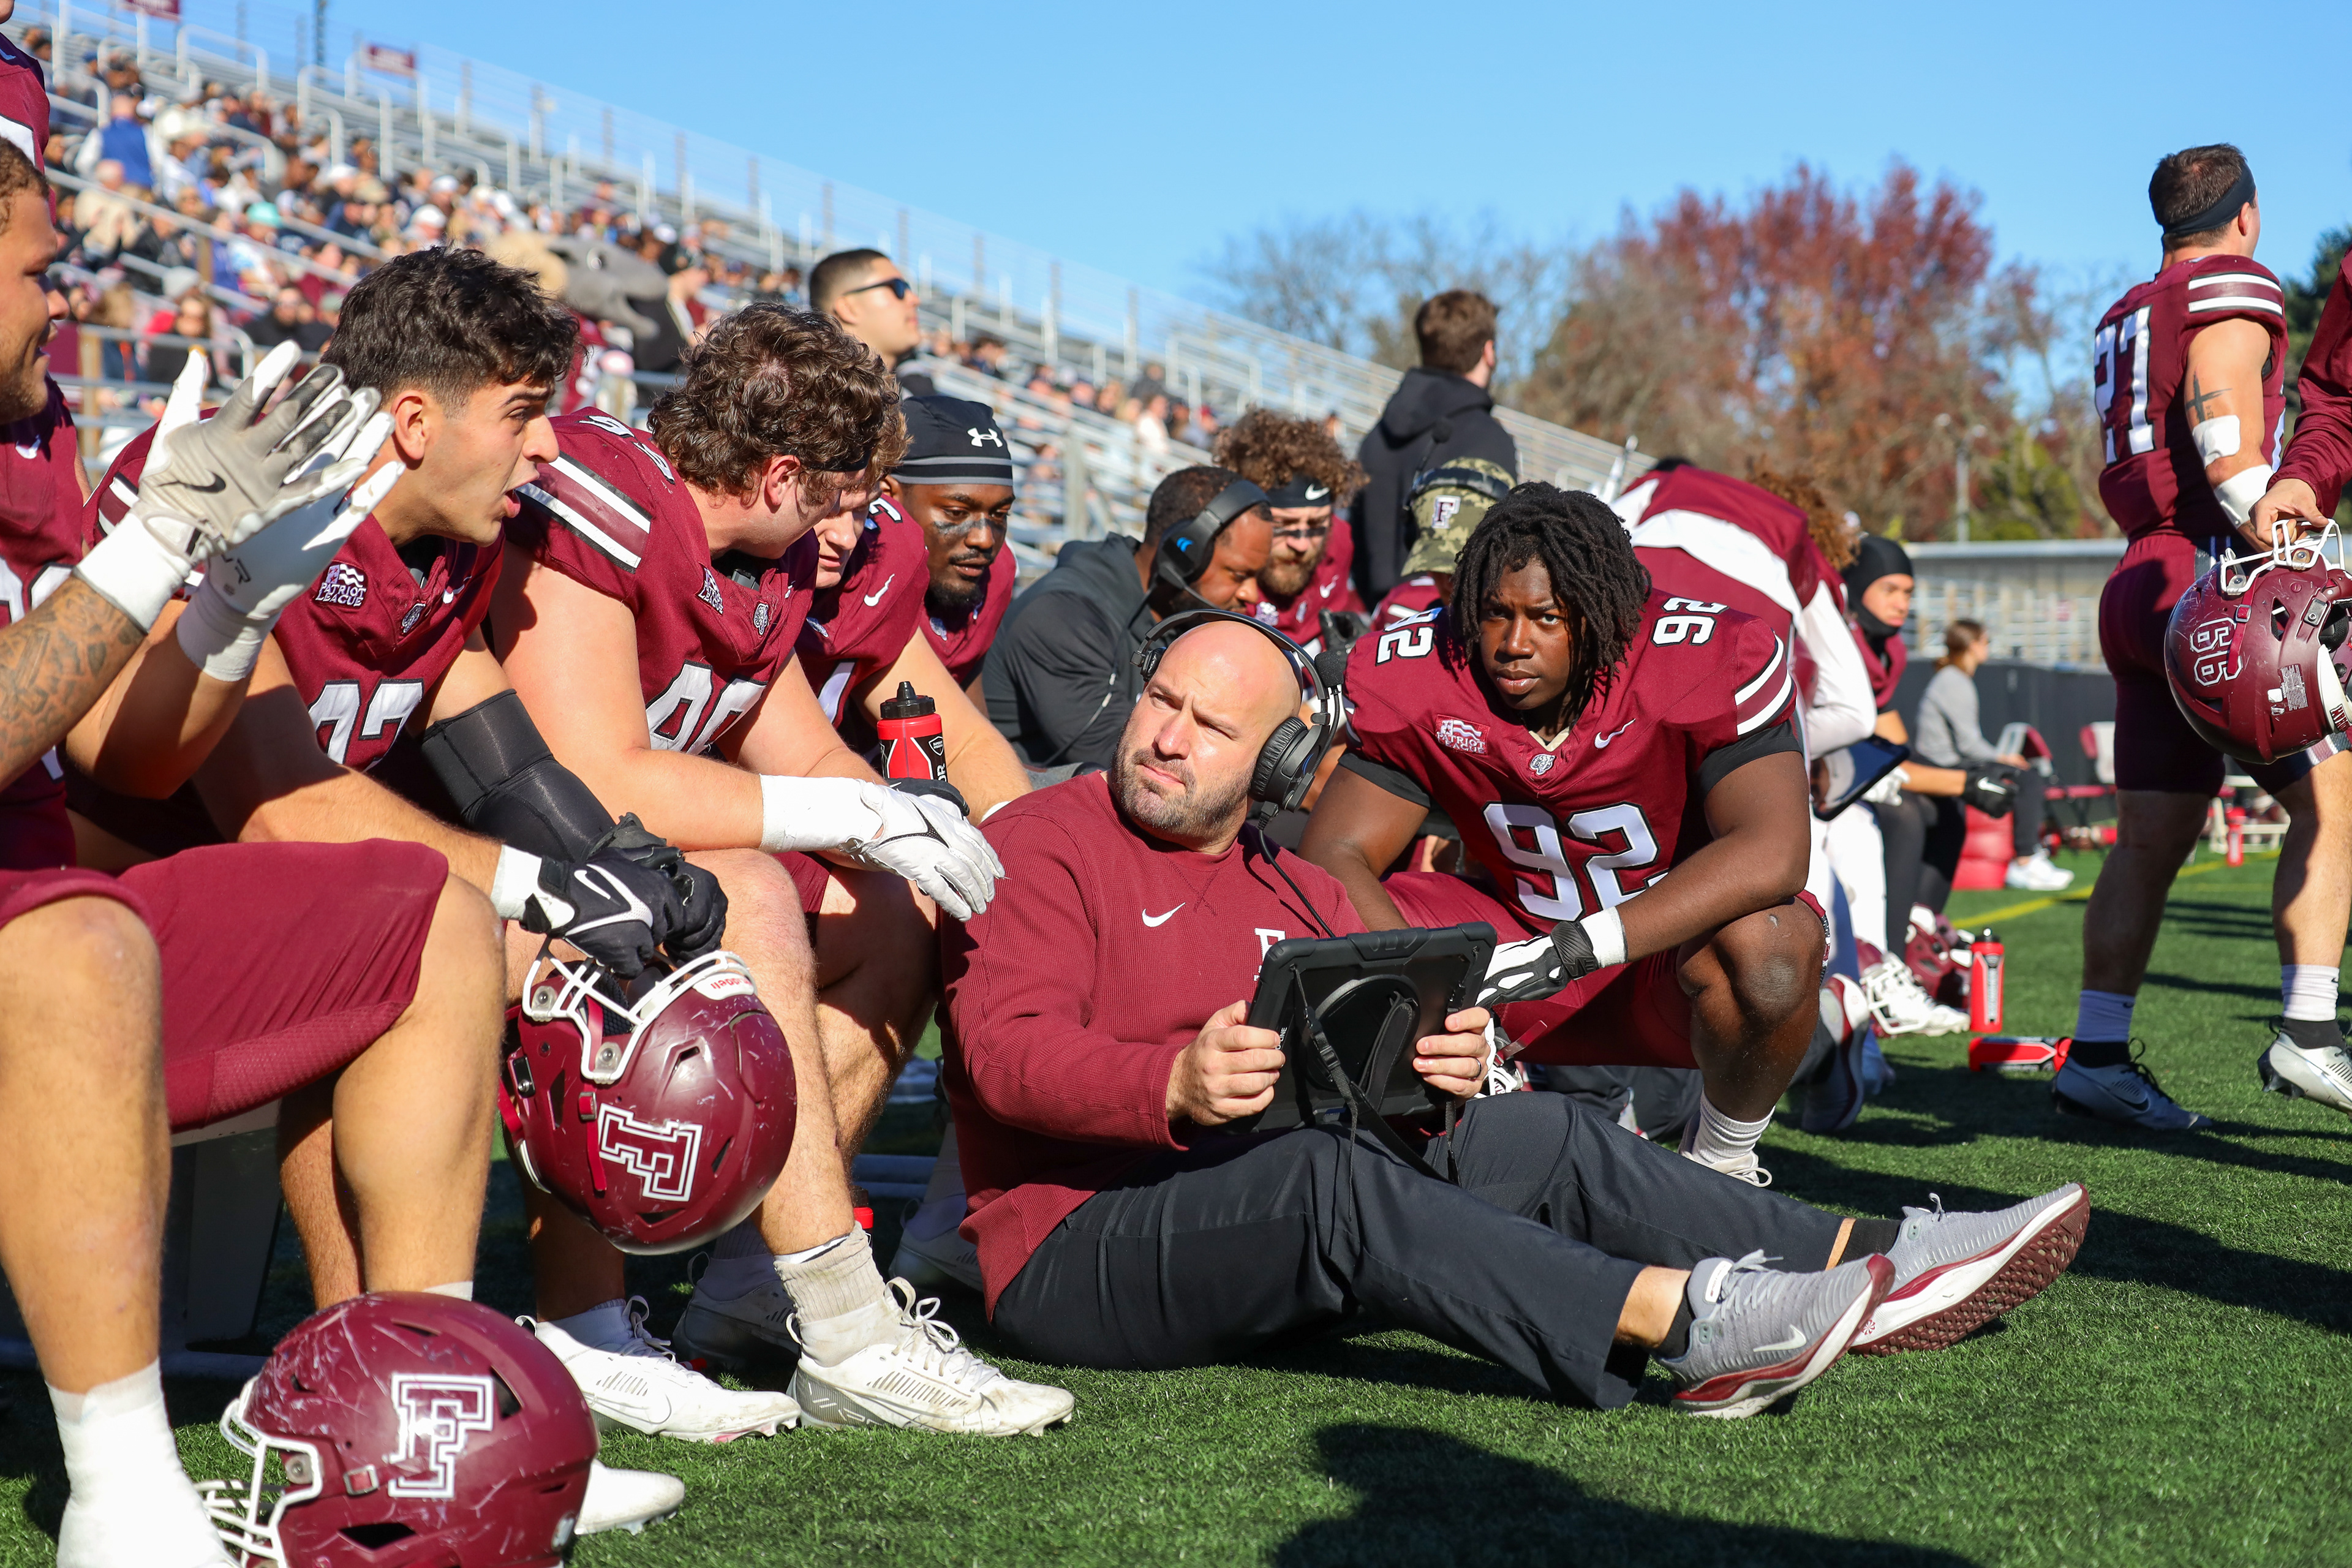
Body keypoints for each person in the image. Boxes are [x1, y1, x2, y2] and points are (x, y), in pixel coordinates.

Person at [944, 613, 2087, 1414]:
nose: (1166, 737)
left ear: (1280, 762)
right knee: (1330, 1180)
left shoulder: (1288, 881)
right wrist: (1170, 1085)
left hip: (1261, 1227)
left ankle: (1879, 1262)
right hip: (1072, 1247)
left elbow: (1359, 1091)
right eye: (1161, 701)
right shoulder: (1044, 841)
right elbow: (1002, 1055)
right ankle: (1693, 1327)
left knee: (1528, 1127)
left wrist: (1436, 1071)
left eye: (1210, 725)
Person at [0, 143, 601, 1564]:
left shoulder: (37, 437)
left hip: (52, 918)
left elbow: (124, 758)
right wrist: (152, 548)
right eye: (37, 273)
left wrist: (221, 607)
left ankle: (417, 1417)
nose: (65, 307)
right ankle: (124, 1494)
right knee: (83, 948)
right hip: (47, 954)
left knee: (421, 909)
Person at [489, 303, 1071, 1434]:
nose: (855, 526)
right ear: (777, 473)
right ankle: (815, 1321)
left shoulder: (764, 555)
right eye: (843, 495)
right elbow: (594, 781)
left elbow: (790, 741)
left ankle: (761, 1280)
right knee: (748, 888)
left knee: (887, 908)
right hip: (489, 865)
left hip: (607, 870)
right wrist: (842, 805)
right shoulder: (611, 505)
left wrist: (900, 819)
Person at [1302, 486, 1830, 1187]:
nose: (1514, 644)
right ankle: (1440, 1121)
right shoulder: (1427, 665)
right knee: (1324, 922)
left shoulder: (1704, 656)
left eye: (1545, 617)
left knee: (1773, 946)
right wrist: (1424, 987)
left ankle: (1722, 1162)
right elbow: (1333, 853)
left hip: (1658, 964)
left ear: (1604, 615)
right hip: (1507, 947)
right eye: (1496, 614)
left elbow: (1774, 851)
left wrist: (1573, 950)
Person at [2062, 143, 2350, 1131]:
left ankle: (2096, 1053)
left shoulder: (2127, 310)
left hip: (2137, 578)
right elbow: (2222, 424)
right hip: (2209, 576)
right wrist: (2272, 535)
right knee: (2334, 797)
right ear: (2248, 216)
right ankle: (2310, 1032)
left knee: (2150, 837)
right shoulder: (2230, 287)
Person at [984, 462, 1273, 772]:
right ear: (1183, 554)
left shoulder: (1184, 616)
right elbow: (1136, 762)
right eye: (1240, 575)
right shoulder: (1063, 615)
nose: (1252, 595)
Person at [1824, 535, 1970, 1037]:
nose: (1902, 603)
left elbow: (1893, 744)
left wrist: (1959, 785)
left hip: (1848, 767)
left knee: (1944, 809)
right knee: (1905, 815)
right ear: (1857, 588)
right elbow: (1866, 754)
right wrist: (1963, 779)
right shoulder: (1833, 641)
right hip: (1811, 774)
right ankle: (1882, 963)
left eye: (1908, 591)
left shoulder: (1890, 651)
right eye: (1889, 589)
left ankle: (1914, 931)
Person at [1350, 290, 1518, 603]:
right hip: (1441, 631)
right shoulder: (1491, 440)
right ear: (1489, 351)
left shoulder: (1376, 436)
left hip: (1375, 634)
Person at [1914, 620, 2070, 892]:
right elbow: (1969, 745)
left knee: (2023, 773)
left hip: (1947, 761)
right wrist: (2004, 759)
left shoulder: (1953, 679)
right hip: (1945, 766)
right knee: (2027, 778)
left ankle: (2027, 857)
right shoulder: (1954, 681)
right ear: (1972, 645)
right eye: (1986, 642)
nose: (1988, 648)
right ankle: (2025, 860)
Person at [1212, 407, 1365, 653]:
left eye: (1316, 525)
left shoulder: (1339, 541)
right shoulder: (1217, 570)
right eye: (1283, 525)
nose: (1301, 544)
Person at [894, 394, 1016, 694]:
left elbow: (968, 723)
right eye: (957, 513)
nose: (984, 539)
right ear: (889, 496)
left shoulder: (998, 573)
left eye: (1000, 515)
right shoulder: (845, 574)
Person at [1371, 458, 1516, 630]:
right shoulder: (1401, 608)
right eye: (1437, 566)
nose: (1448, 584)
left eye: (1463, 570)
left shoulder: (1526, 637)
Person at [811, 246, 931, 395]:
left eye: (909, 287)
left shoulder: (914, 396)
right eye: (897, 288)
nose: (914, 300)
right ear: (848, 308)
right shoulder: (811, 405)